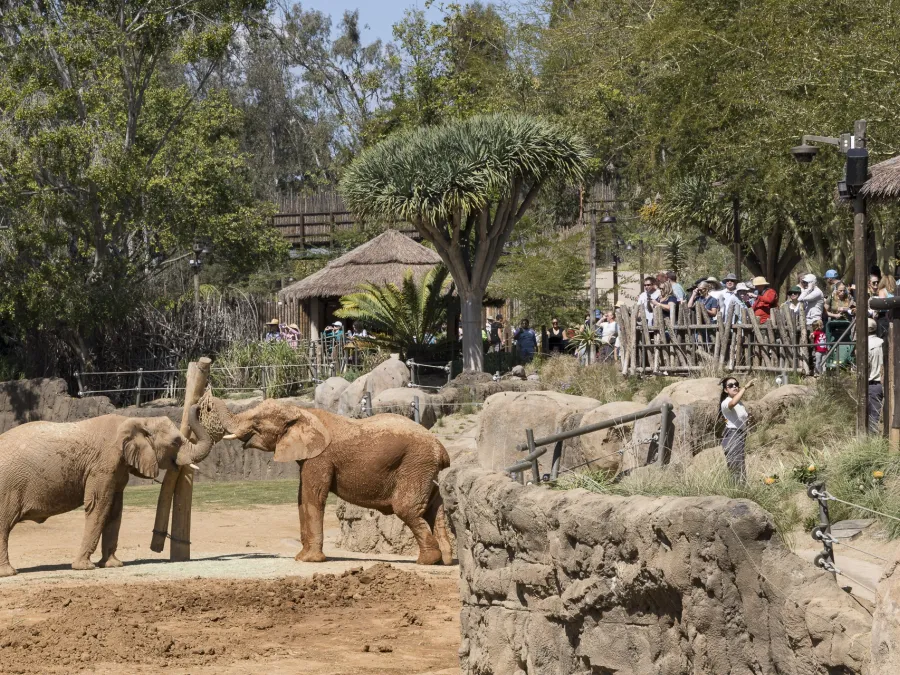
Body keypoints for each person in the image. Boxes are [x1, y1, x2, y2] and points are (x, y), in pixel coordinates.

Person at [720, 377, 754, 482]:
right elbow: (732, 404)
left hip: (740, 435)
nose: (734, 386)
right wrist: (745, 388)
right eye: (730, 385)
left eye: (736, 384)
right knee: (736, 466)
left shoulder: (740, 403)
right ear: (726, 390)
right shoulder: (726, 402)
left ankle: (740, 490)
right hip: (732, 435)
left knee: (739, 464)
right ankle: (737, 492)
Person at [867, 318, 884, 434]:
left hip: (872, 383)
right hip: (884, 382)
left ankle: (873, 444)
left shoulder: (865, 344)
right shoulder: (883, 342)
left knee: (873, 416)